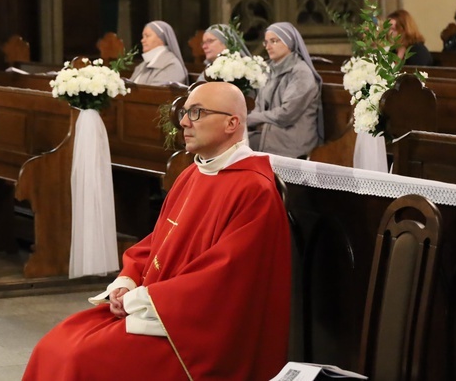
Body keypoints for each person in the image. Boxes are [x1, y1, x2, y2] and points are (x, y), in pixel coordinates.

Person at [23, 82, 292, 381]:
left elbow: (225, 278)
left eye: (197, 112)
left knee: (79, 359)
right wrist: (126, 282)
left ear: (232, 123)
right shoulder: (193, 173)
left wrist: (140, 300)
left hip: (198, 335)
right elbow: (160, 240)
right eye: (185, 112)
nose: (185, 122)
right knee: (53, 346)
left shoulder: (254, 188)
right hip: (157, 309)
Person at [248, 22, 323, 158]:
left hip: (292, 138)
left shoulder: (301, 72)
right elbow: (259, 105)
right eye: (266, 42)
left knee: (236, 148)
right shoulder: (268, 69)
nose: (268, 47)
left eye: (274, 41)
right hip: (269, 132)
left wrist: (253, 119)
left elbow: (287, 114)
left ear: (289, 42)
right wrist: (255, 121)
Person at [129, 21, 187, 85]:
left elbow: (156, 93)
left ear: (161, 38)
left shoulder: (171, 66)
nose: (142, 40)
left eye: (147, 36)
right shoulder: (143, 65)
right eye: (143, 37)